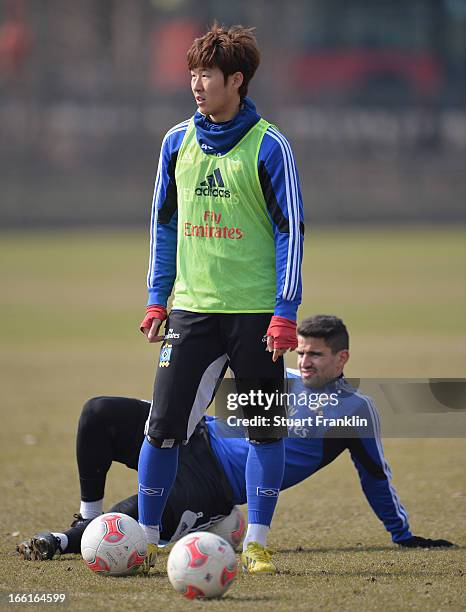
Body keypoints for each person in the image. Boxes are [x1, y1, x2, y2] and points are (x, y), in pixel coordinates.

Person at [17, 315, 454, 563]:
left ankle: (57, 541)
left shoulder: (355, 410)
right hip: (194, 435)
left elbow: (375, 476)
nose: (303, 361)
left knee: (126, 520)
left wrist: (403, 535)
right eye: (300, 351)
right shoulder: (276, 376)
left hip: (214, 484)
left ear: (342, 358)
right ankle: (81, 517)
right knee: (99, 412)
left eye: (315, 354)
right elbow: (212, 399)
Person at [138, 22, 304, 575]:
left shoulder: (270, 145)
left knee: (263, 425)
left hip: (257, 315)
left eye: (206, 74)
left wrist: (285, 311)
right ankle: (145, 539)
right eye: (192, 73)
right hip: (192, 309)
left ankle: (256, 541)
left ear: (237, 80)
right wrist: (157, 299)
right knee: (163, 427)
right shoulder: (175, 142)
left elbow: (292, 232)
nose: (196, 83)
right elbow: (162, 226)